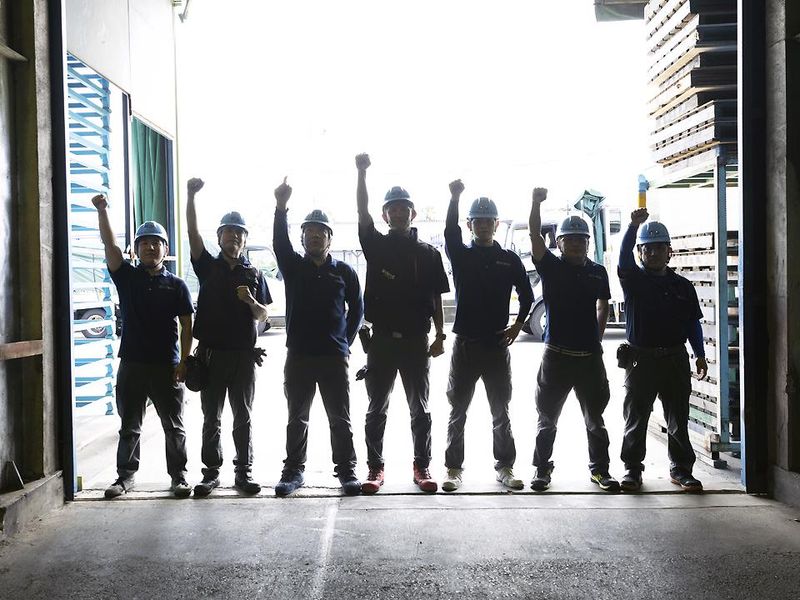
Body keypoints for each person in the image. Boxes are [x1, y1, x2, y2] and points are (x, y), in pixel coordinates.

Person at [355, 153, 450, 494]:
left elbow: (436, 298)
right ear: (385, 215)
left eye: (403, 208)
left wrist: (440, 334)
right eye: (392, 209)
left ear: (413, 213)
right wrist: (362, 173)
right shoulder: (376, 246)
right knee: (376, 409)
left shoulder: (429, 254)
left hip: (416, 342)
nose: (397, 213)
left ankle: (422, 466)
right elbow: (362, 213)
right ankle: (375, 468)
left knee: (420, 410)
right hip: (381, 341)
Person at [92, 194, 194, 499]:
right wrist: (102, 210)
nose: (150, 247)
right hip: (132, 364)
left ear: (165, 249)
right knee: (130, 426)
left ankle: (179, 477)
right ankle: (125, 478)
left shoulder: (177, 285)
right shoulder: (127, 278)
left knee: (174, 426)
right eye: (144, 243)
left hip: (166, 365)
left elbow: (187, 325)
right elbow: (110, 246)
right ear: (136, 249)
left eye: (156, 243)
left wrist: (185, 361)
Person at [271, 178, 365, 497]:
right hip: (299, 357)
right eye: (309, 231)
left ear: (329, 238)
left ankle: (347, 471)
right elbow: (279, 244)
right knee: (297, 418)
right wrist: (281, 207)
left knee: (340, 418)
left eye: (320, 231)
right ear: (302, 237)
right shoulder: (293, 267)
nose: (314, 235)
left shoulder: (344, 272)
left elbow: (358, 308)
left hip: (333, 359)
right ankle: (293, 472)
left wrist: (344, 342)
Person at [441, 180, 534, 492]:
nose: (483, 225)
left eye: (488, 220)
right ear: (470, 225)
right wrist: (454, 198)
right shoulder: (460, 255)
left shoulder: (509, 259)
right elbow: (449, 233)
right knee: (458, 411)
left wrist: (518, 324)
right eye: (477, 221)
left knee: (501, 411)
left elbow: (527, 295)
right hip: (465, 346)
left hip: (496, 345)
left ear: (496, 224)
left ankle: (505, 467)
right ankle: (453, 469)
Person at [528, 187, 619, 492]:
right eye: (570, 239)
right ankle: (542, 470)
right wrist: (535, 203)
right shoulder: (551, 267)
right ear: (560, 243)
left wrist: (597, 338)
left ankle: (600, 471)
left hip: (589, 359)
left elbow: (603, 305)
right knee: (547, 419)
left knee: (595, 419)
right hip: (556, 357)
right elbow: (534, 236)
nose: (577, 244)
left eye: (582, 239)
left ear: (588, 243)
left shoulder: (598, 272)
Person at [186, 178, 271, 496]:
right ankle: (211, 473)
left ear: (245, 239)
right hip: (210, 355)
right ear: (219, 236)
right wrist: (191, 196)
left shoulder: (254, 274)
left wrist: (250, 301)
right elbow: (192, 234)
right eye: (228, 232)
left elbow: (264, 315)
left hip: (243, 358)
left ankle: (243, 472)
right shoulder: (207, 267)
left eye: (239, 233)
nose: (233, 236)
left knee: (243, 417)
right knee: (212, 417)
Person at [617, 209, 708, 492]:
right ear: (640, 252)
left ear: (669, 252)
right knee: (636, 417)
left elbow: (692, 323)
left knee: (678, 418)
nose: (654, 253)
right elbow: (623, 258)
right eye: (648, 249)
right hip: (640, 360)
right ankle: (632, 469)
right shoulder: (633, 280)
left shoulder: (683, 286)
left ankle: (681, 469)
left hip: (674, 358)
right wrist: (632, 226)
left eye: (659, 248)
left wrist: (700, 354)